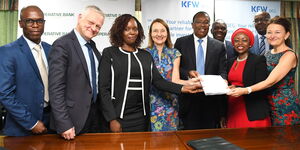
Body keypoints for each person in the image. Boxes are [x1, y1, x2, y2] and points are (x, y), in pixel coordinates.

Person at [99, 14, 200, 133]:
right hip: (118, 117)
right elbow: (103, 89)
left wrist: (184, 88)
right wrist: (111, 119)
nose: (131, 32)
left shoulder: (145, 55)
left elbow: (158, 81)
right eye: (126, 29)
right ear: (119, 31)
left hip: (141, 118)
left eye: (135, 29)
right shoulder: (109, 53)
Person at [228, 17, 300, 126]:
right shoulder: (267, 54)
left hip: (284, 104)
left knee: (285, 139)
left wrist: (244, 90)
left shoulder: (289, 55)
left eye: (277, 32)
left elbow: (270, 81)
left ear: (286, 35)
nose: (272, 36)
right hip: (266, 103)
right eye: (269, 32)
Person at [49, 5, 104, 140]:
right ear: (80, 18)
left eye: (98, 26)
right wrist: (64, 123)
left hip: (94, 116)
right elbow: (56, 88)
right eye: (91, 23)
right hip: (72, 120)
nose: (94, 28)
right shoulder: (62, 44)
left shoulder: (92, 46)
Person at [0, 5, 51, 136]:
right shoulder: (7, 52)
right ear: (21, 23)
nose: (35, 25)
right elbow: (5, 94)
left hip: (52, 124)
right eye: (30, 21)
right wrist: (31, 123)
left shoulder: (51, 50)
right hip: (21, 127)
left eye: (40, 21)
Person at [174, 11, 227, 130]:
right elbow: (176, 69)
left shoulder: (218, 46)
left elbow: (222, 71)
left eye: (206, 23)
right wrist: (187, 73)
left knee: (210, 138)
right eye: (199, 22)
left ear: (209, 26)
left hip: (211, 101)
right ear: (192, 24)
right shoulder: (181, 42)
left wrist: (223, 81)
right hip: (188, 99)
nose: (202, 25)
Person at [145, 18, 199, 131]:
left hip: (171, 103)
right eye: (155, 31)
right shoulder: (144, 53)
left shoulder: (174, 53)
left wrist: (193, 82)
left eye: (162, 30)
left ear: (167, 33)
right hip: (149, 103)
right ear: (150, 33)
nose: (159, 34)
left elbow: (175, 80)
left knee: (170, 140)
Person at [224, 28, 271, 128]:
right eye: (236, 40)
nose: (240, 43)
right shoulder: (230, 62)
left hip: (251, 108)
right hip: (233, 108)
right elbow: (230, 83)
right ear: (233, 44)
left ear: (250, 44)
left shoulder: (258, 60)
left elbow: (263, 86)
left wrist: (242, 90)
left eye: (244, 40)